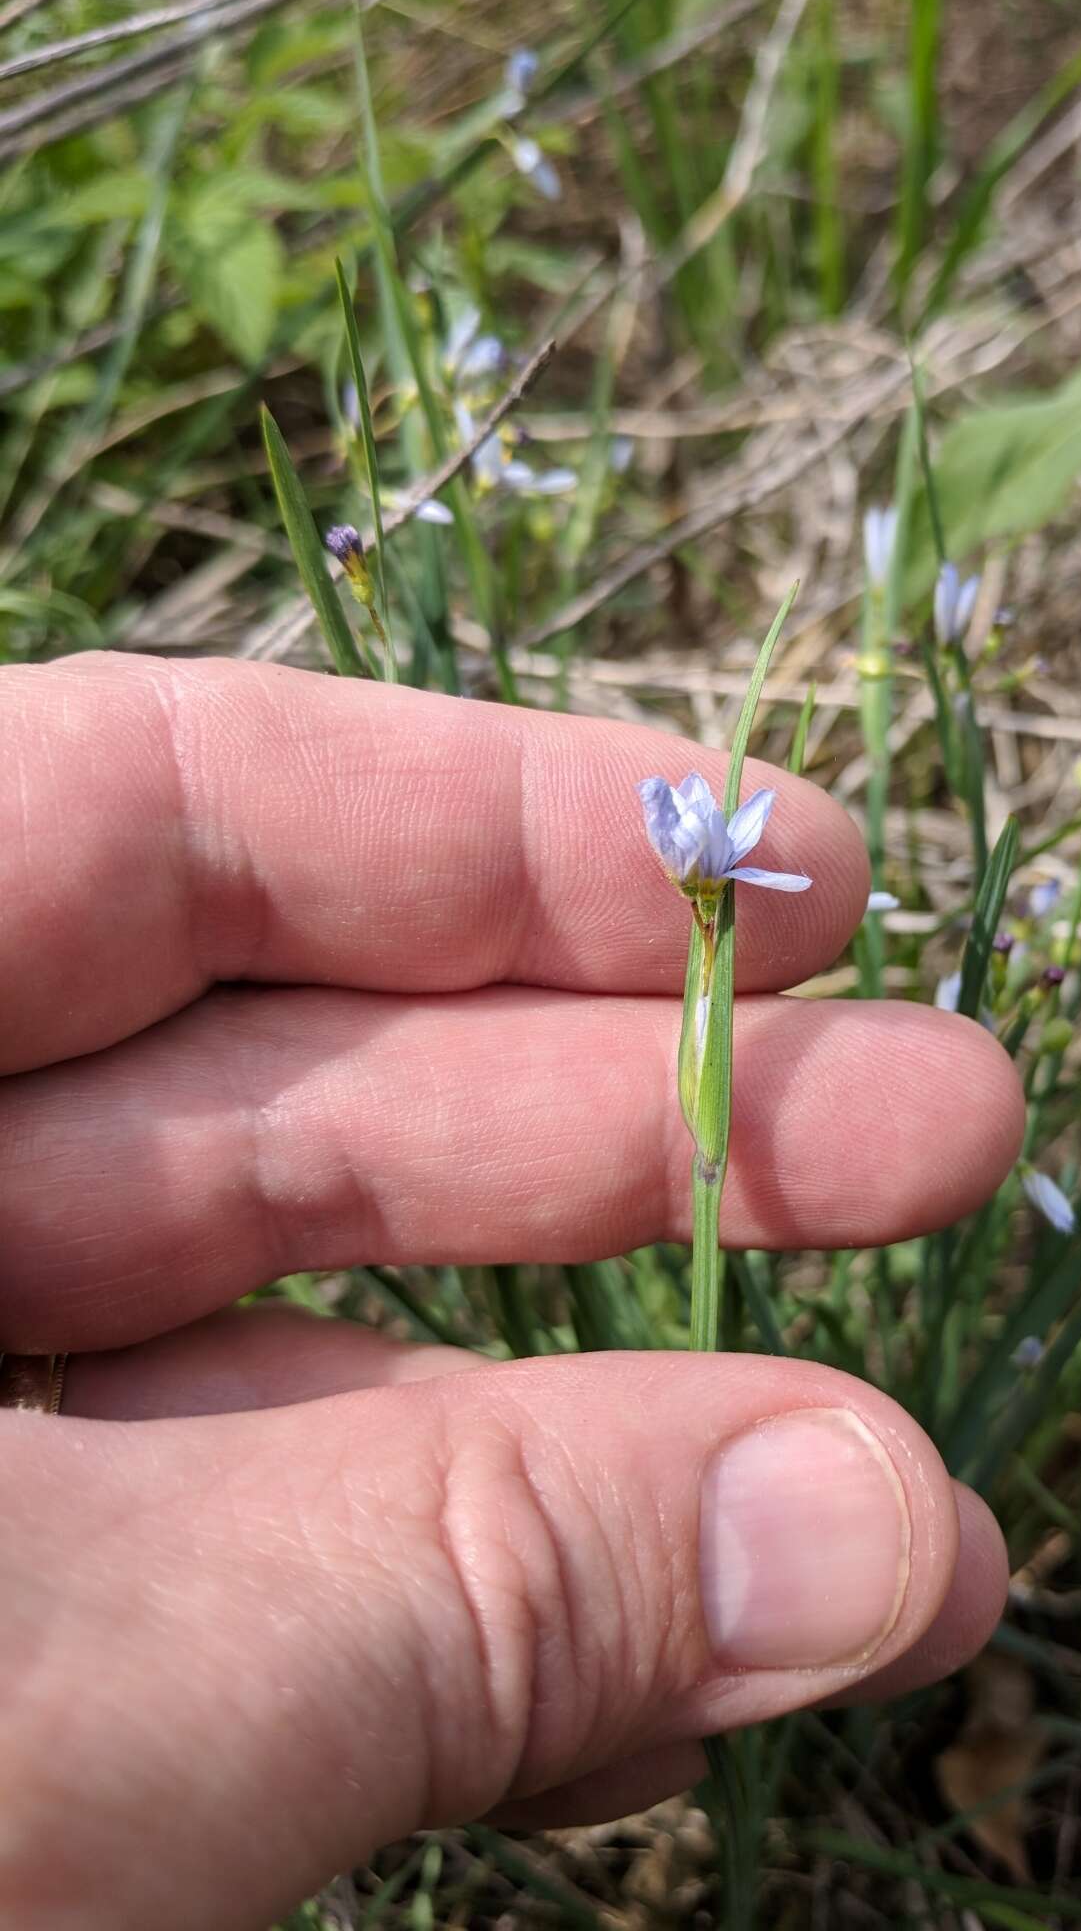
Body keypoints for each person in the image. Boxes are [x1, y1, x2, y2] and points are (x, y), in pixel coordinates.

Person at [0, 653, 1021, 1928]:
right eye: (698, 854)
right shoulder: (710, 881)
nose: (705, 847)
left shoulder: (723, 881)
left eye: (711, 857)